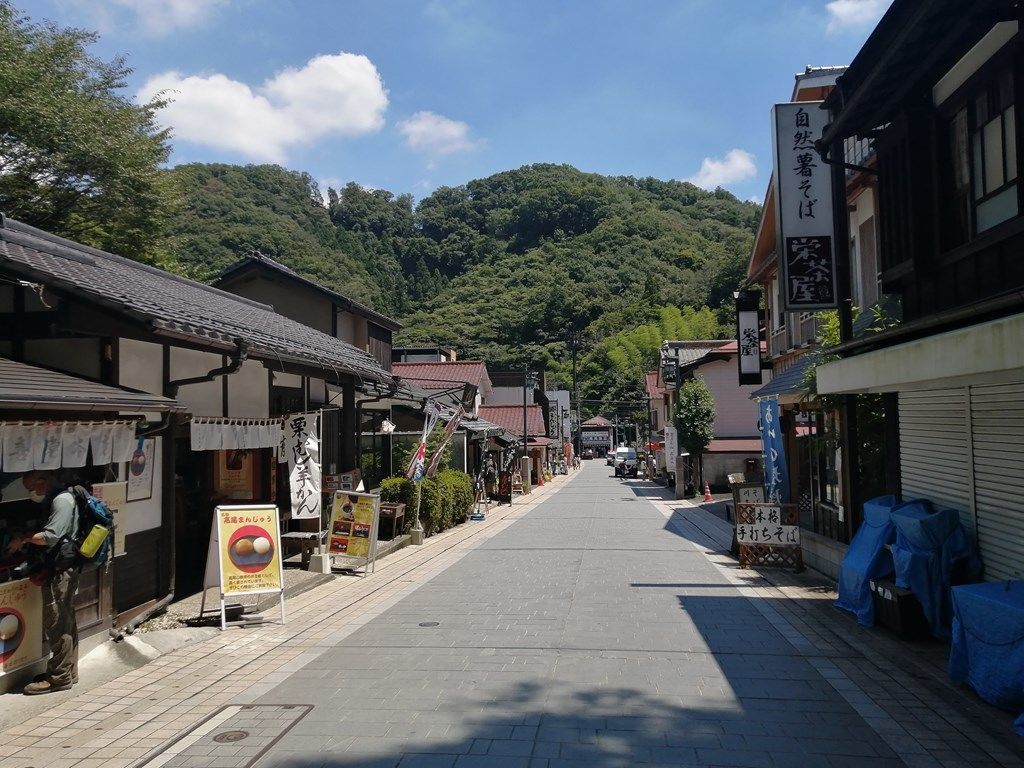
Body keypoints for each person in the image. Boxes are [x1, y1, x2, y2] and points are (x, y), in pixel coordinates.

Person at [5, 471, 80, 695]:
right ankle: (68, 671)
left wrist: (24, 539)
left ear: (43, 480)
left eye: (31, 487)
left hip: (60, 569)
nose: (31, 493)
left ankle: (59, 677)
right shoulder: (62, 497)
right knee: (65, 619)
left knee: (56, 620)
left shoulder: (61, 500)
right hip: (64, 567)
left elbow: (51, 536)